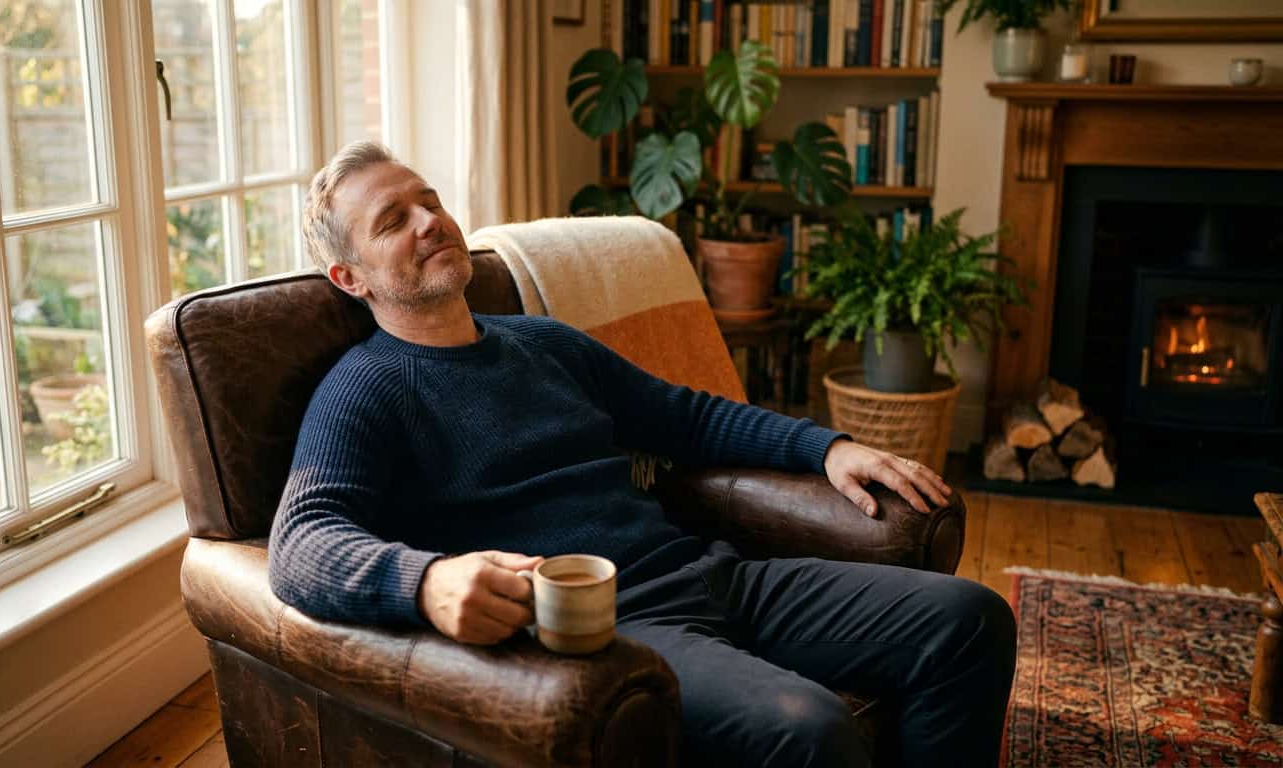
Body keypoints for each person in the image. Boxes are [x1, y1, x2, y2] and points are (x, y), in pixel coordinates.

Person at [268, 140, 1016, 768]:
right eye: (395, 220)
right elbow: (301, 542)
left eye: (430, 200)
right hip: (613, 633)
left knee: (970, 619)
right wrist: (425, 580)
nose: (432, 221)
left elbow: (684, 417)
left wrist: (826, 447)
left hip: (712, 576)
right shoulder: (361, 392)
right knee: (807, 726)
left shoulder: (544, 343)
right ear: (351, 277)